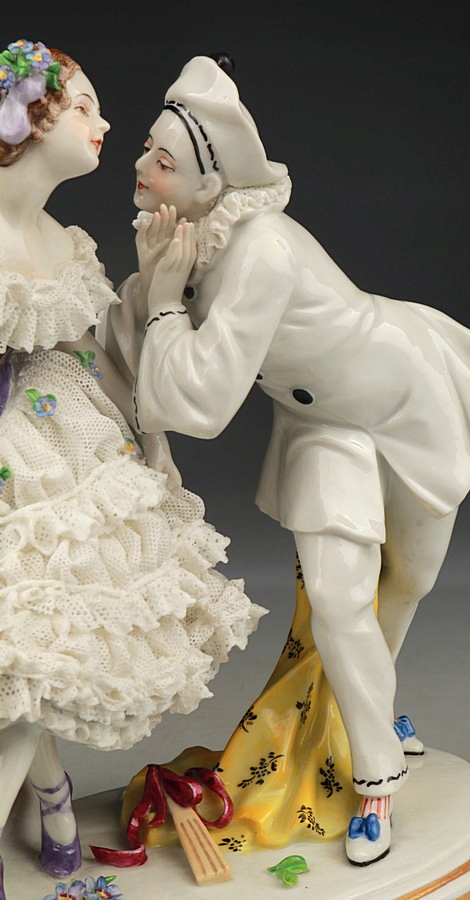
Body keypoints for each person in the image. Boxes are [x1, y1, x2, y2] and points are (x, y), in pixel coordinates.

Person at [107, 55, 470, 867]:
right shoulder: (186, 244)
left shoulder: (262, 248)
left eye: (163, 158)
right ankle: (377, 777)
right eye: (148, 150)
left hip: (410, 396)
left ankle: (365, 710)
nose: (142, 166)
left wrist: (164, 300)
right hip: (327, 427)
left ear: (209, 183)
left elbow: (201, 397)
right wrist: (152, 296)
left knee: (408, 582)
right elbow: (162, 376)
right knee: (338, 598)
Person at [0, 41, 264, 898]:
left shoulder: (61, 243)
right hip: (14, 459)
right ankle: (52, 797)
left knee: (42, 646)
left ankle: (52, 799)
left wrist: (155, 297)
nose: (105, 123)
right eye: (83, 107)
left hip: (63, 444)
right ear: (29, 120)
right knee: (23, 649)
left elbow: (93, 355)